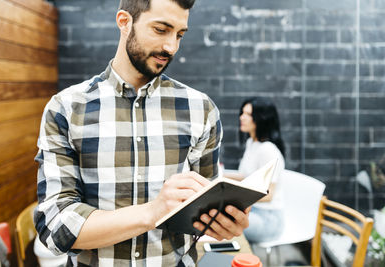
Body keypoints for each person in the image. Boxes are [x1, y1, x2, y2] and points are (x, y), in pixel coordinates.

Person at [33, 0, 250, 266]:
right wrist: (153, 212)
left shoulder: (201, 109)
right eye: (161, 29)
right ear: (124, 22)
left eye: (179, 34)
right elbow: (56, 228)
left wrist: (222, 221)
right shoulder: (66, 108)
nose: (171, 47)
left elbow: (203, 209)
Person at [224, 97, 285, 243]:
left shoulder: (268, 150)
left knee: (222, 222)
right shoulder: (251, 143)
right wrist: (219, 176)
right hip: (253, 211)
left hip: (268, 219)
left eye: (248, 114)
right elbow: (246, 176)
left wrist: (234, 198)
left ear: (262, 119)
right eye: (242, 113)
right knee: (220, 218)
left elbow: (269, 194)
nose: (242, 117)